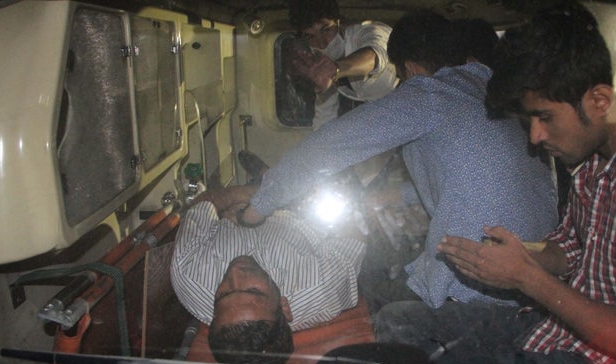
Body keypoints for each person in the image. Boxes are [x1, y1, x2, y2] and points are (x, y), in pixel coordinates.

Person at [376, 2, 616, 364]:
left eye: (545, 117)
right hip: (554, 329)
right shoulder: (593, 158)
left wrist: (527, 278)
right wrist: (519, 256)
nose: (535, 136)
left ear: (599, 101)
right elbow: (571, 247)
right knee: (398, 323)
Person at [238, 11, 559, 313]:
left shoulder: (430, 93)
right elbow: (466, 175)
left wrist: (256, 208)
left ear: (410, 68)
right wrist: (387, 197)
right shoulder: (486, 89)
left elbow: (330, 146)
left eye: (401, 74)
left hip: (479, 291)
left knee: (364, 289)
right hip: (545, 275)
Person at [170, 185, 365, 364]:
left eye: (222, 294)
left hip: (238, 196)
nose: (235, 273)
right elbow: (354, 229)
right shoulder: (324, 287)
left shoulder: (188, 273)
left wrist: (244, 195)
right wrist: (291, 194)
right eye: (253, 290)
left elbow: (202, 206)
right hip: (304, 204)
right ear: (284, 305)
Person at [288, 0, 398, 128]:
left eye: (326, 30)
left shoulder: (368, 32)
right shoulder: (324, 68)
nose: (322, 43)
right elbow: (324, 114)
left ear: (340, 22)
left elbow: (375, 55)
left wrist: (337, 69)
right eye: (311, 37)